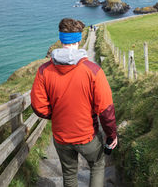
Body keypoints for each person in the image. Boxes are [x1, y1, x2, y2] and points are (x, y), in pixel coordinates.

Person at [31, 18, 117, 187]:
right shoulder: (93, 71)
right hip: (88, 136)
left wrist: (57, 113)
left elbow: (38, 106)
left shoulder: (44, 70)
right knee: (98, 165)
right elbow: (106, 110)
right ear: (79, 40)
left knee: (69, 173)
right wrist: (111, 135)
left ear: (61, 39)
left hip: (61, 136)